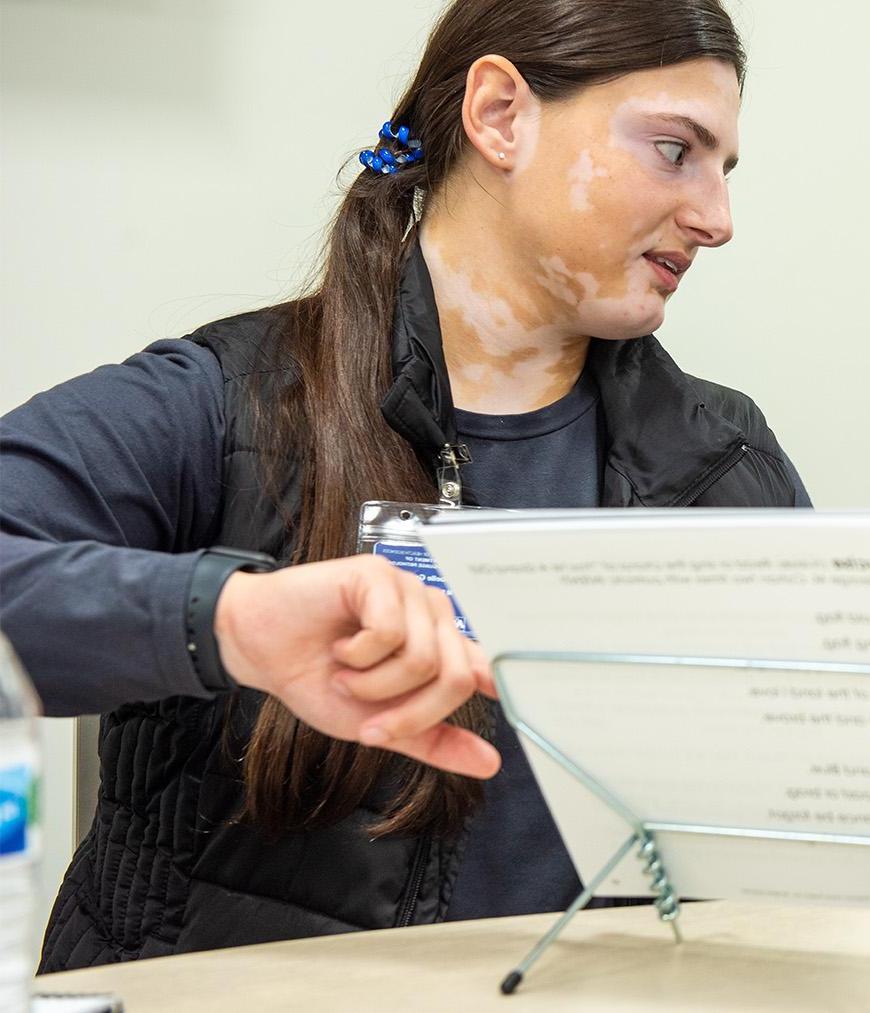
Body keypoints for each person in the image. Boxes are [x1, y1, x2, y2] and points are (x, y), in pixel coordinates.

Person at [0, 0, 808, 971]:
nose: (716, 218)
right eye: (677, 151)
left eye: (725, 170)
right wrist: (227, 619)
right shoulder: (225, 405)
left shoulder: (724, 464)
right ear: (501, 113)